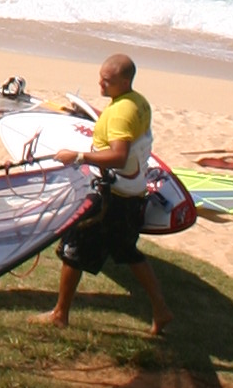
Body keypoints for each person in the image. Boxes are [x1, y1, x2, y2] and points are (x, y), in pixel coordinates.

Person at [44, 52, 168, 337]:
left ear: (125, 81)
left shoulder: (121, 113)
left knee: (73, 248)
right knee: (126, 250)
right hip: (133, 194)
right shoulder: (138, 103)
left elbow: (118, 156)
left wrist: (78, 156)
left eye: (107, 81)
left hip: (112, 197)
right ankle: (161, 310)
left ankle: (59, 314)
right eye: (100, 77)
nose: (100, 84)